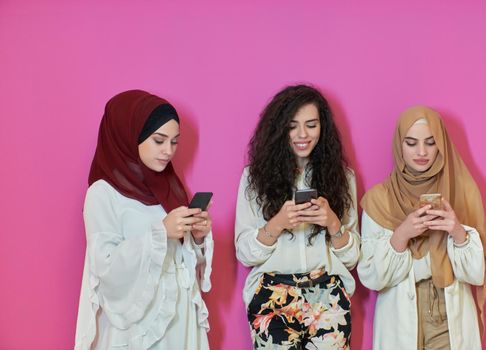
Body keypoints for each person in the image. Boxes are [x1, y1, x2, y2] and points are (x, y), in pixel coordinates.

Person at [74, 90, 213, 350]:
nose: (168, 151)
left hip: (180, 317)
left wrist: (196, 237)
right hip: (137, 325)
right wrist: (161, 232)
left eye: (174, 142)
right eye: (159, 141)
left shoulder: (171, 188)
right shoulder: (102, 193)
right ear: (129, 136)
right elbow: (103, 266)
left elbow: (182, 261)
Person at [357, 106, 486, 350]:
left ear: (441, 144)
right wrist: (402, 234)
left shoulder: (461, 190)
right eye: (411, 143)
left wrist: (457, 231)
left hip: (449, 312)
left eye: (430, 143)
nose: (422, 152)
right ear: (400, 145)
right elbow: (372, 278)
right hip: (399, 313)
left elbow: (476, 273)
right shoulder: (379, 199)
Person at [235, 84, 360, 349]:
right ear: (280, 129)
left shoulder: (343, 178)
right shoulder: (253, 178)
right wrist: (278, 223)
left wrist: (333, 223)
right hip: (272, 294)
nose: (302, 134)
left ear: (322, 128)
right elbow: (245, 253)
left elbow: (350, 258)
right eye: (292, 126)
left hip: (328, 293)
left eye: (311, 125)